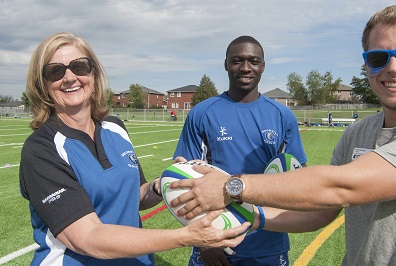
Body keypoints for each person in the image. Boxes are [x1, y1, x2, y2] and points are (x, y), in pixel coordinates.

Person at [169, 4, 396, 265]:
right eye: (378, 58)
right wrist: (251, 219)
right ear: (367, 67)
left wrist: (231, 187)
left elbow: (340, 187)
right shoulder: (357, 134)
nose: (393, 67)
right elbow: (321, 210)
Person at [19, 32, 248, 266]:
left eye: (79, 66)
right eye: (55, 71)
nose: (69, 78)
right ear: (43, 84)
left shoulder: (115, 128)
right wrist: (185, 237)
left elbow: (136, 195)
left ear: (94, 74)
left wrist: (162, 185)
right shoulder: (41, 149)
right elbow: (86, 238)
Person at [172, 35, 307, 266]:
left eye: (253, 61)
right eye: (237, 60)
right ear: (226, 64)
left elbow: (298, 179)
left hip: (268, 244)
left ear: (263, 66)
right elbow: (184, 182)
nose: (245, 68)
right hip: (215, 242)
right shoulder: (202, 114)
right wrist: (205, 243)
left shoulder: (282, 115)